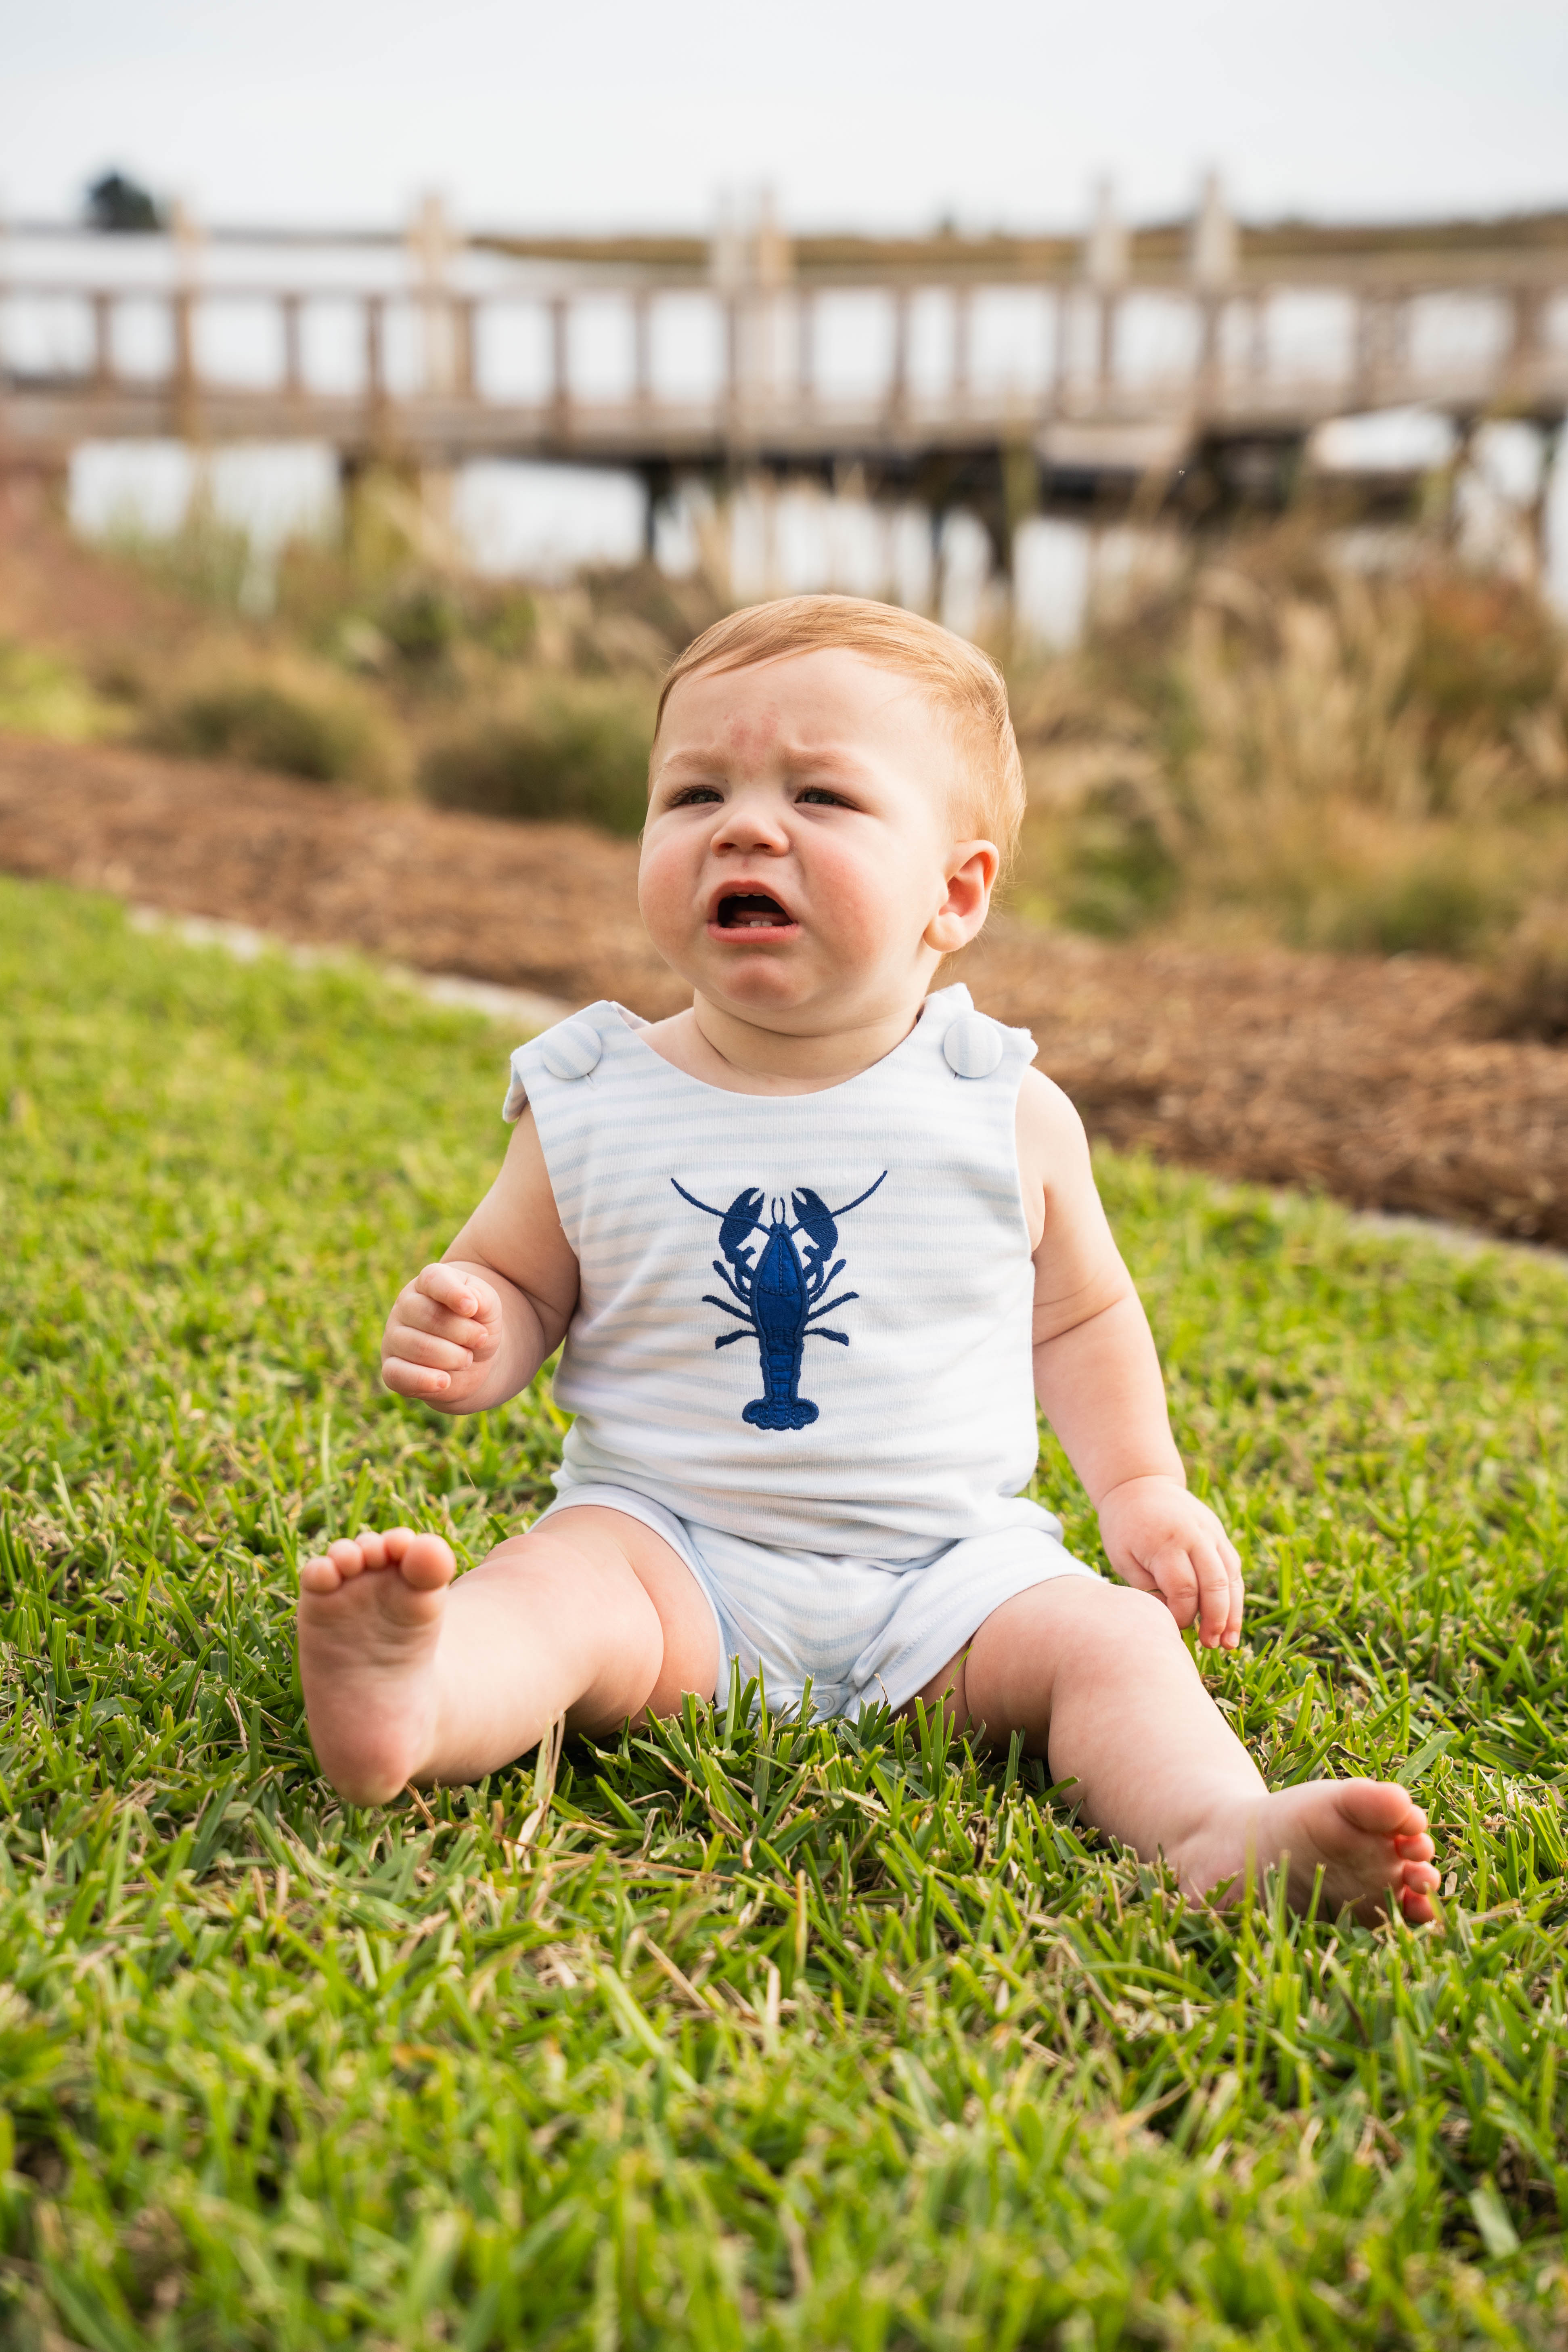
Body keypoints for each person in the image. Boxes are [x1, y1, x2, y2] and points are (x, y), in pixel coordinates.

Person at [296, 595, 1440, 1924]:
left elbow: (1077, 1318)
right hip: (668, 1551)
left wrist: (1140, 1488)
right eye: (695, 792)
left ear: (956, 891)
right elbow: (520, 1281)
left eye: (824, 795)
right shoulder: (591, 1094)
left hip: (951, 1577)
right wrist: (474, 1323)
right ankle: (415, 1700)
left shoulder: (1002, 1104)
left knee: (1113, 1641)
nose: (746, 824)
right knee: (546, 1594)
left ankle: (1216, 1825)